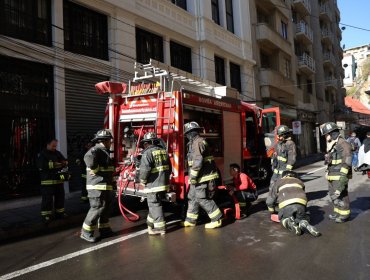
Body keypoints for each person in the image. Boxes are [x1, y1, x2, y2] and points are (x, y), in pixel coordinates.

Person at [182, 121, 223, 229]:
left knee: (202, 198)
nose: (186, 136)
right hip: (197, 176)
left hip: (203, 177)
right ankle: (191, 220)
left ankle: (217, 219)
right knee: (192, 197)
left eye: (187, 134)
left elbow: (197, 161)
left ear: (192, 133)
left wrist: (193, 177)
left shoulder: (198, 142)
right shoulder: (193, 143)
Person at [80, 129, 115, 243]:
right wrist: (95, 169)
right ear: (104, 140)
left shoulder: (104, 151)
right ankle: (86, 233)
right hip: (97, 186)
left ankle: (104, 229)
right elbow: (88, 158)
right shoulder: (95, 150)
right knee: (97, 208)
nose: (111, 142)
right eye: (110, 140)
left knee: (105, 208)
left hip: (105, 185)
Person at [266, 171, 320, 237]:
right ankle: (304, 222)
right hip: (301, 204)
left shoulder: (278, 182)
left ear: (283, 176)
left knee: (283, 218)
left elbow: (269, 201)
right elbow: (303, 195)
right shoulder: (300, 182)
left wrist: (272, 211)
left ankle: (290, 223)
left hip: (286, 205)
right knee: (302, 218)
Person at [139, 132, 172, 235]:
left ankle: (160, 228)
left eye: (144, 144)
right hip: (163, 183)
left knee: (154, 204)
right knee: (155, 204)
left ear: (147, 143)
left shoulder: (147, 153)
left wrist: (142, 181)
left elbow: (145, 170)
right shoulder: (163, 151)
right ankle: (150, 224)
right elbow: (169, 168)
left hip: (153, 184)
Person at [320, 122, 352, 223]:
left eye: (326, 134)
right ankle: (338, 212)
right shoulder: (334, 144)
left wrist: (343, 176)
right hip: (331, 174)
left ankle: (344, 215)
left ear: (332, 133)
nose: (325, 137)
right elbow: (330, 160)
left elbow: (347, 161)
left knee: (341, 195)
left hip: (339, 175)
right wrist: (327, 171)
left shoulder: (343, 143)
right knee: (333, 195)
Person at [37, 138, 68, 224]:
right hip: (47, 182)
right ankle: (46, 215)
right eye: (53, 145)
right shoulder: (42, 154)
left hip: (58, 181)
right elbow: (41, 165)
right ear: (48, 144)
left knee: (60, 198)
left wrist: (64, 162)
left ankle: (60, 213)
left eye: (56, 146)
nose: (54, 147)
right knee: (47, 200)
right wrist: (56, 164)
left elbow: (64, 161)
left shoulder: (57, 153)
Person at [269, 125, 296, 190]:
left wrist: (287, 172)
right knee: (272, 187)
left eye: (279, 135)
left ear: (284, 135)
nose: (277, 137)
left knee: (282, 188)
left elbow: (292, 159)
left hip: (284, 172)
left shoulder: (290, 144)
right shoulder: (277, 144)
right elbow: (274, 156)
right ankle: (272, 199)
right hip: (276, 172)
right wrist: (273, 164)